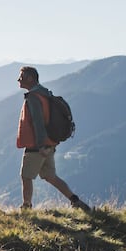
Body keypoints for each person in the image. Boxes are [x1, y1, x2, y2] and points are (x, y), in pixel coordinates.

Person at [16, 66, 91, 211]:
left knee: (26, 176)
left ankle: (26, 207)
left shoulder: (33, 97)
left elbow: (38, 121)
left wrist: (41, 145)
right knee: (51, 176)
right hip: (50, 142)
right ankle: (75, 200)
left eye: (21, 76)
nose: (18, 80)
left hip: (37, 145)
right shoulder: (45, 94)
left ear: (30, 78)